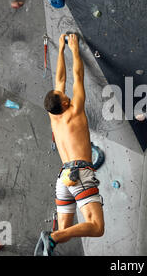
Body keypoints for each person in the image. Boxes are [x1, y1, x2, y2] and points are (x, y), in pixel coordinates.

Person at [34, 33, 104, 256]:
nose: (64, 92)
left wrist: (61, 49)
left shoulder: (53, 114)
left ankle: (55, 236)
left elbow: (60, 78)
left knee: (66, 230)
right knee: (96, 227)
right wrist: (74, 49)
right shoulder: (74, 110)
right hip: (79, 173)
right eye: (63, 94)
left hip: (63, 177)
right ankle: (51, 236)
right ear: (64, 102)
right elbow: (77, 75)